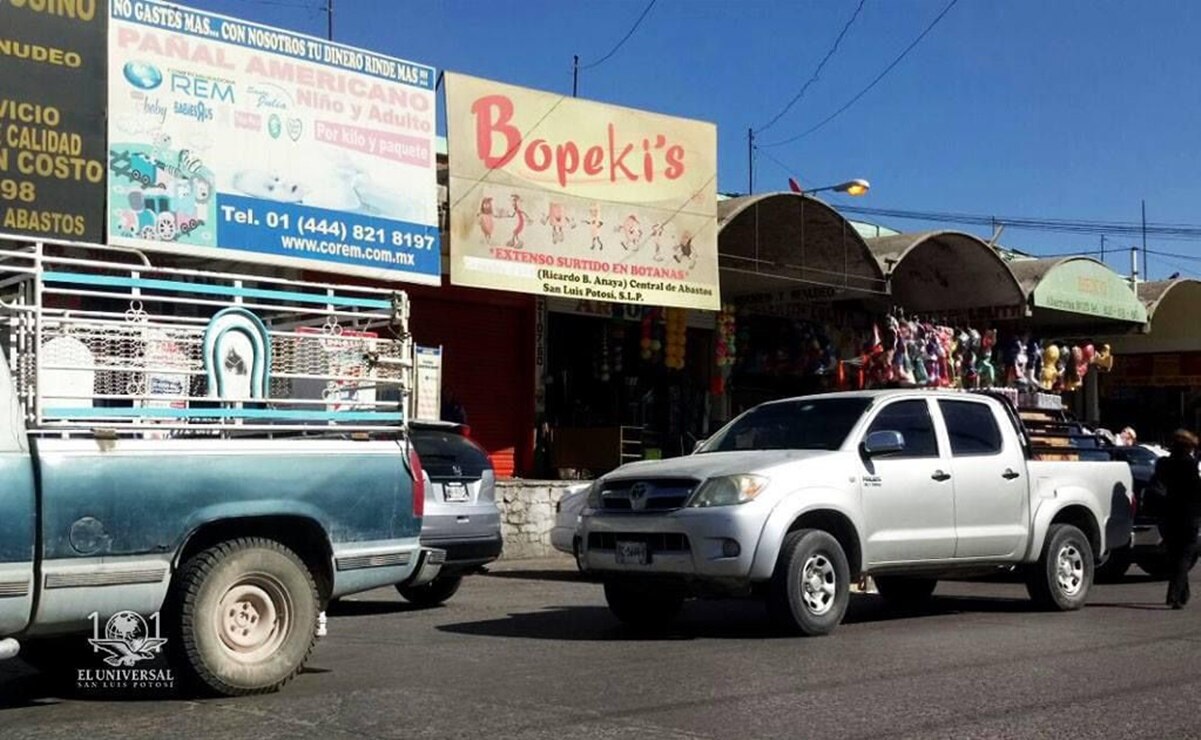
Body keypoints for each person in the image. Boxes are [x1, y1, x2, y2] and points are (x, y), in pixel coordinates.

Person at [1151, 429, 1201, 608]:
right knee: (1185, 555)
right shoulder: (1189, 465)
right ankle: (1174, 594)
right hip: (1188, 515)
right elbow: (1195, 490)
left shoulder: (1163, 463)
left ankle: (1182, 594)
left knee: (1175, 555)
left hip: (1168, 515)